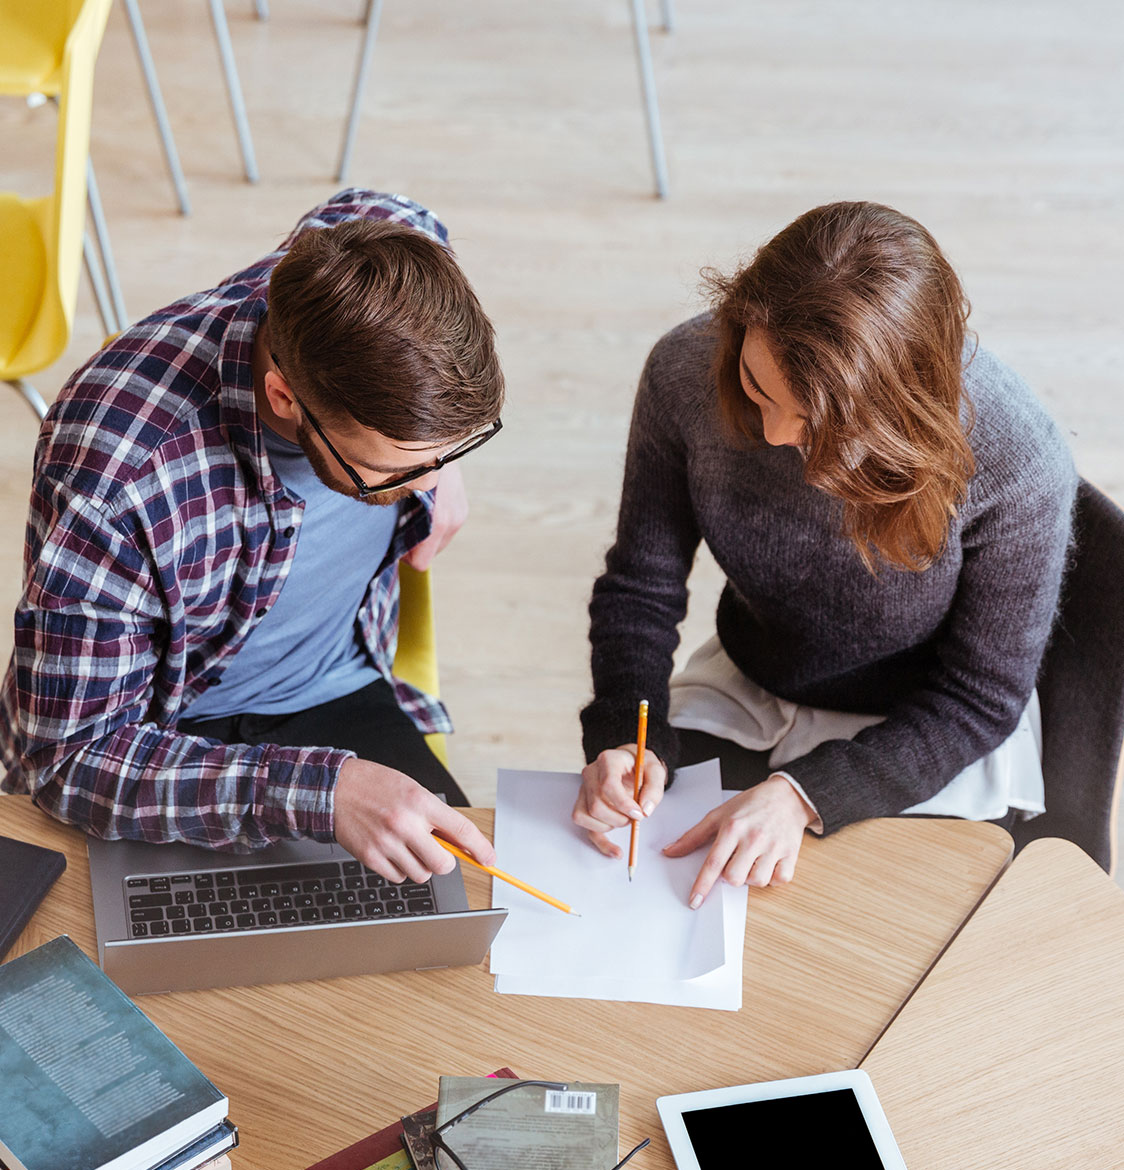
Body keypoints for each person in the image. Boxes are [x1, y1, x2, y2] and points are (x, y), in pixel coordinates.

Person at [573, 201, 1076, 908]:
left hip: (926, 727)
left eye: (817, 423)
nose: (776, 432)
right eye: (757, 386)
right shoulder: (683, 372)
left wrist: (804, 796)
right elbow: (640, 589)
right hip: (755, 683)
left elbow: (979, 697)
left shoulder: (1016, 458)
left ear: (904, 413)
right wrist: (626, 733)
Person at [0, 190, 502, 884]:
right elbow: (64, 759)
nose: (423, 488)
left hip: (343, 687)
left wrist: (432, 458)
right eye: (393, 468)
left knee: (453, 934)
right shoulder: (117, 470)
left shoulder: (378, 248)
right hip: (171, 744)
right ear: (285, 398)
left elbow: (393, 207)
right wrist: (320, 793)